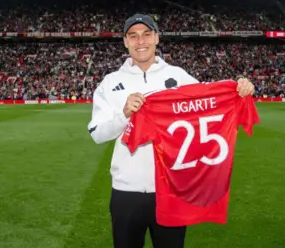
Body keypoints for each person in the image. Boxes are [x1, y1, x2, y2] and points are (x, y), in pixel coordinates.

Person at [87, 13, 255, 248]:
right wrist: (124, 114)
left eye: (146, 34)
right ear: (125, 41)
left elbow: (209, 103)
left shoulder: (178, 76)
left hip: (172, 190)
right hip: (126, 191)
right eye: (133, 36)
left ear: (156, 38)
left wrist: (238, 89)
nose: (140, 41)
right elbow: (97, 133)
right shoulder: (110, 82)